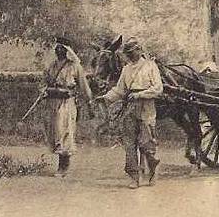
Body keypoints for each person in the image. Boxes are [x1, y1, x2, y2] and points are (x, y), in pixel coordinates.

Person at [94, 38, 163, 188]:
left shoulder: (150, 66)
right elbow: (120, 90)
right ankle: (134, 177)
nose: (130, 56)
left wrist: (141, 94)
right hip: (130, 107)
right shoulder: (126, 69)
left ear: (139, 51)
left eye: (132, 53)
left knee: (146, 143)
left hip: (146, 106)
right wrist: (105, 98)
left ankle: (153, 168)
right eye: (128, 54)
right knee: (129, 143)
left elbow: (158, 89)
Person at [44, 36, 92, 177]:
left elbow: (84, 86)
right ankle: (61, 162)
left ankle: (63, 165)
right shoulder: (51, 66)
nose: (59, 50)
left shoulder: (74, 66)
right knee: (54, 132)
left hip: (67, 103)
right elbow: (44, 82)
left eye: (62, 48)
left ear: (67, 50)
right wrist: (45, 91)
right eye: (57, 48)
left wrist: (89, 102)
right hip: (52, 102)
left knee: (64, 131)